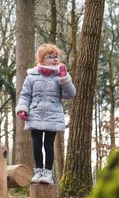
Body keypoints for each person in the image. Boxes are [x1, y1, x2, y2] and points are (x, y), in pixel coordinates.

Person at [15, 43, 76, 184]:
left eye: (56, 56)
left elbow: (70, 94)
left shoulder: (60, 75)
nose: (55, 59)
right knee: (36, 144)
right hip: (35, 114)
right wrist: (22, 109)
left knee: (48, 144)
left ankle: (48, 173)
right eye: (50, 57)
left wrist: (65, 79)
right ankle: (38, 170)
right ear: (41, 60)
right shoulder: (31, 76)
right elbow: (25, 95)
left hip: (53, 115)